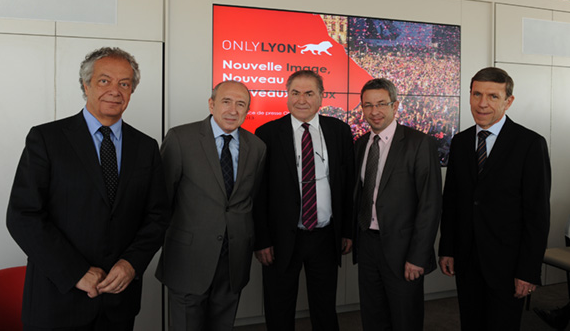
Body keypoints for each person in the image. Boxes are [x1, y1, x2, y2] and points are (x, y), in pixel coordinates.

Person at [6, 47, 171, 330]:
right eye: (104, 80)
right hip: (58, 300)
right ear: (86, 85)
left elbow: (157, 216)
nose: (115, 91)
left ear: (131, 91)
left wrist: (132, 264)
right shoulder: (47, 139)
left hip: (118, 301)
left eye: (124, 83)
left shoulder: (146, 147)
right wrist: (75, 272)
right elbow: (23, 216)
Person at [439, 67, 551, 331]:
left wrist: (528, 270)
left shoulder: (530, 144)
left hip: (508, 265)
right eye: (477, 94)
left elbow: (537, 214)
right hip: (466, 260)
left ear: (508, 101)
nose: (482, 103)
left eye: (492, 96)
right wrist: (448, 248)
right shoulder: (460, 142)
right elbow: (452, 201)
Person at [155, 81, 266, 331]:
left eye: (241, 104)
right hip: (188, 258)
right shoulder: (181, 138)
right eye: (227, 101)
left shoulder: (257, 148)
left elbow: (251, 199)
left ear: (247, 110)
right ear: (212, 104)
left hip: (233, 259)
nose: (233, 110)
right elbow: (162, 199)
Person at [254, 70, 355, 331]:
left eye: (309, 93)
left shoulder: (340, 131)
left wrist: (347, 231)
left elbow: (348, 186)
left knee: (324, 308)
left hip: (325, 236)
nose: (301, 99)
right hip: (281, 239)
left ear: (321, 96)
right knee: (279, 308)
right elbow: (259, 193)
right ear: (287, 96)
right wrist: (262, 240)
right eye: (295, 93)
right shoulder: (266, 133)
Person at [354, 78, 442, 331]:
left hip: (404, 250)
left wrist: (418, 257)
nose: (375, 111)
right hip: (368, 244)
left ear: (396, 105)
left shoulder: (418, 143)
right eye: (368, 105)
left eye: (381, 104)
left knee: (405, 318)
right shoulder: (361, 144)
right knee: (373, 315)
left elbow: (430, 204)